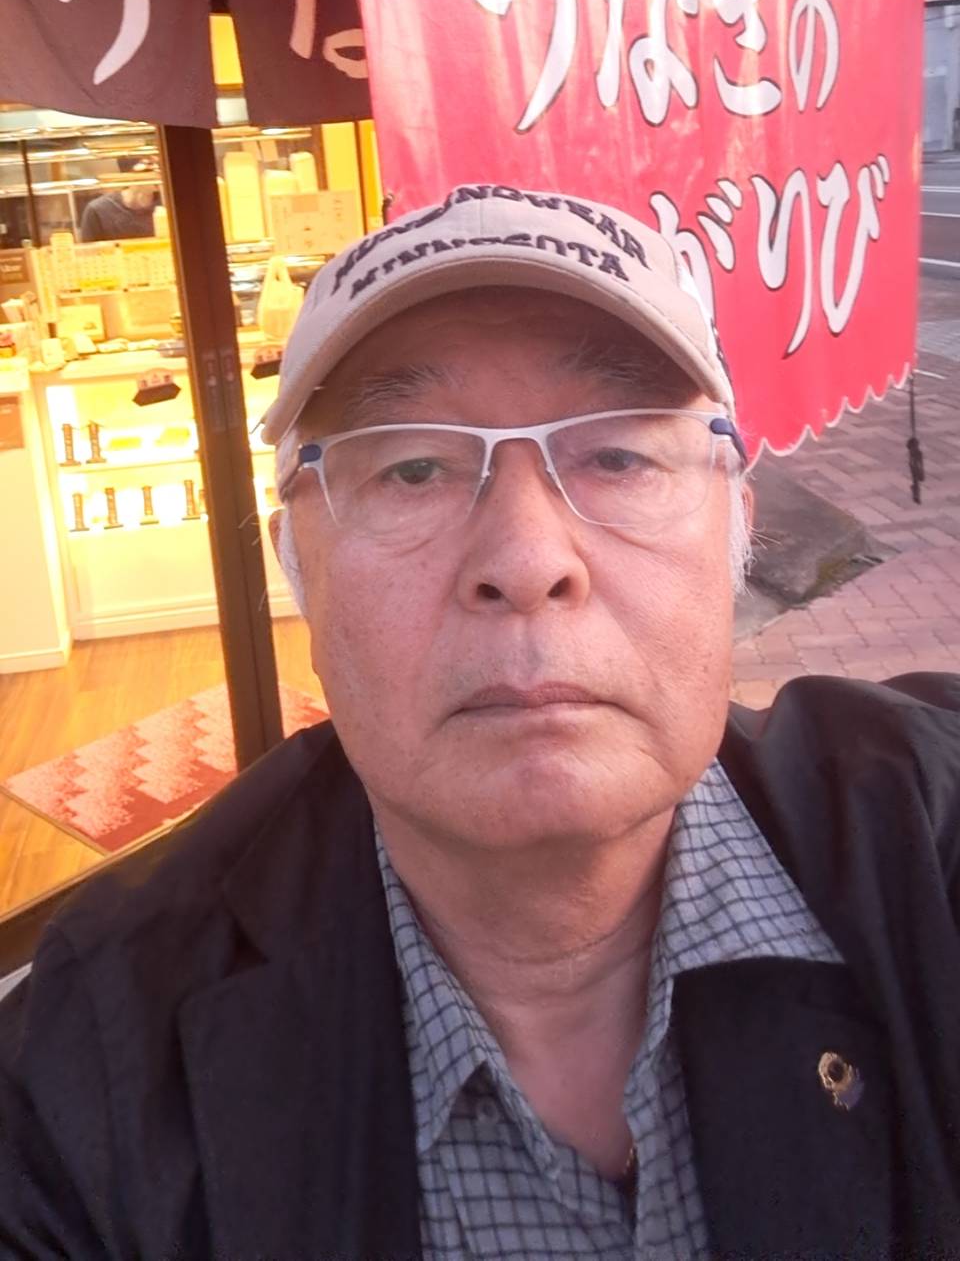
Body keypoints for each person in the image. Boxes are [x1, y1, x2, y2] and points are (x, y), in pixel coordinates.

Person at [1, 183, 959, 1261]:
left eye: (618, 453)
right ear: (298, 568)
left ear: (734, 532)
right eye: (412, 467)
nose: (527, 558)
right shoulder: (98, 1058)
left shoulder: (929, 848)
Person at [78, 155, 160, 241]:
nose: (158, 171)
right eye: (150, 164)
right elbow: (89, 248)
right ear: (131, 171)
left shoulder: (166, 205)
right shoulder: (98, 210)